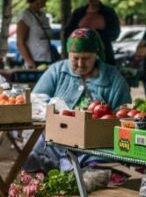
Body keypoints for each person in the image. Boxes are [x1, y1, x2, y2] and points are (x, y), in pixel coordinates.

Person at [25, 29, 131, 171]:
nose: (80, 64)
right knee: (30, 155)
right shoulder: (57, 71)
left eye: (86, 58)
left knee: (98, 169)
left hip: (94, 147)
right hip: (54, 142)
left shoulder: (113, 78)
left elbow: (123, 115)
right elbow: (36, 101)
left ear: (96, 54)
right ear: (68, 55)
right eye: (75, 58)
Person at [66, 0, 120, 65]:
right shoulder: (78, 13)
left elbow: (115, 33)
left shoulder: (108, 13)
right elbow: (68, 33)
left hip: (103, 57)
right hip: (80, 56)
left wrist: (97, 34)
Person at [17, 0, 57, 69]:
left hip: (48, 59)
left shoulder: (43, 16)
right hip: (35, 61)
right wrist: (30, 62)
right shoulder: (25, 16)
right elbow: (20, 42)